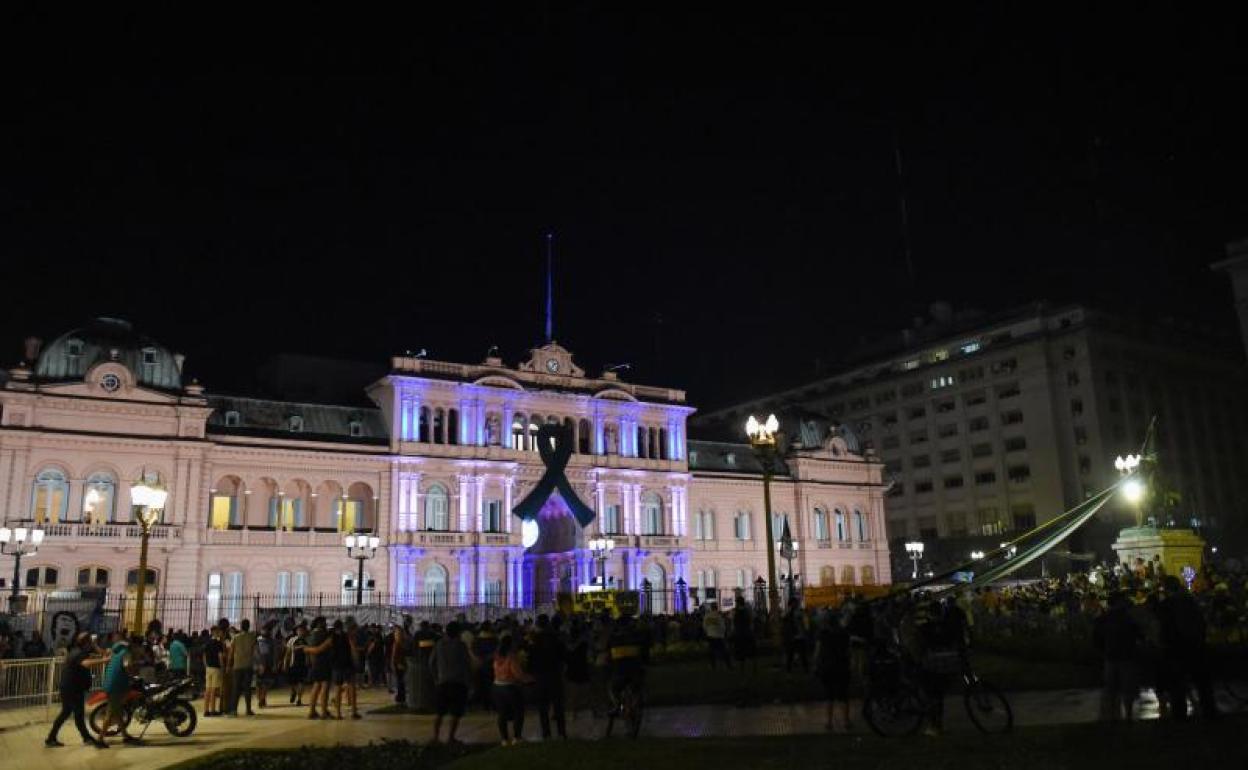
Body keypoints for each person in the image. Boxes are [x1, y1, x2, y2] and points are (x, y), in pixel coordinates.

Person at [46, 632, 108, 749]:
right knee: (76, 714)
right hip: (72, 688)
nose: (91, 644)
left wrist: (95, 645)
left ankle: (52, 738)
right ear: (86, 643)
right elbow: (87, 663)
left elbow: (102, 653)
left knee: (67, 713)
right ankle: (85, 738)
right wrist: (105, 661)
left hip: (70, 687)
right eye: (90, 642)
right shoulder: (79, 653)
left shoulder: (78, 650)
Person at [1093, 591, 1142, 722]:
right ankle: (1128, 714)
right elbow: (1139, 634)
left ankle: (1113, 715)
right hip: (1126, 656)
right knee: (1127, 688)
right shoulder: (1128, 618)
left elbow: (1097, 638)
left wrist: (1102, 651)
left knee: (1111, 688)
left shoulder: (1104, 618)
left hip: (1111, 656)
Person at [429, 621, 471, 745]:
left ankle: (435, 737)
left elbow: (431, 663)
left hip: (442, 682)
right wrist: (469, 681)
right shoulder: (461, 645)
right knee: (456, 712)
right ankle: (450, 737)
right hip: (458, 683)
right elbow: (466, 664)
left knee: (439, 712)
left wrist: (436, 677)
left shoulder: (439, 644)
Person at [529, 614, 568, 740]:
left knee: (543, 707)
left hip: (540, 676)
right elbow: (564, 656)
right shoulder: (556, 638)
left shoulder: (534, 640)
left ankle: (546, 733)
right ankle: (561, 733)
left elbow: (531, 660)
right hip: (554, 674)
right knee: (558, 706)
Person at [813, 609, 852, 733]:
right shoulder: (844, 633)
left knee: (829, 695)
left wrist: (816, 663)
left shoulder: (823, 634)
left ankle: (829, 722)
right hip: (841, 665)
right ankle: (846, 721)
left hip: (827, 666)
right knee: (843, 695)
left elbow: (818, 651)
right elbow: (848, 650)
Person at [99, 634, 140, 746]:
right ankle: (100, 739)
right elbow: (127, 667)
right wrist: (133, 676)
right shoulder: (126, 653)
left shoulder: (115, 652)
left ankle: (125, 736)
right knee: (110, 713)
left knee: (117, 713)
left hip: (110, 683)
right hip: (116, 686)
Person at [606, 612, 650, 712]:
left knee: (612, 688)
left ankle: (617, 705)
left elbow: (608, 657)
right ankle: (638, 701)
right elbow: (645, 653)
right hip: (635, 672)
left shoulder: (613, 639)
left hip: (620, 673)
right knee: (639, 685)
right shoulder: (638, 637)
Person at [492, 633, 531, 745]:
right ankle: (517, 737)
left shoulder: (497, 656)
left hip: (497, 686)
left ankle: (504, 739)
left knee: (502, 714)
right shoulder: (511, 657)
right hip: (510, 687)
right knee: (518, 712)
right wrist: (528, 679)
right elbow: (518, 674)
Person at [330, 619, 360, 719]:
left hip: (336, 665)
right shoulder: (347, 636)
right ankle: (354, 712)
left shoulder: (331, 637)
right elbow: (353, 649)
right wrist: (356, 660)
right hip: (347, 664)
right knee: (351, 687)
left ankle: (338, 714)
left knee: (337, 689)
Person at [226, 619, 257, 716]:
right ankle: (248, 709)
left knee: (236, 688)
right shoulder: (252, 637)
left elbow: (231, 653)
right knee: (247, 688)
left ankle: (234, 710)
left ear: (241, 626)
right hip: (248, 665)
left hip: (237, 666)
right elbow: (255, 651)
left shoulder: (235, 638)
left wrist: (228, 665)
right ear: (248, 626)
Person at [305, 616, 333, 719]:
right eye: (324, 622)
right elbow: (319, 649)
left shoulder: (311, 634)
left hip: (315, 664)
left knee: (316, 686)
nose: (325, 624)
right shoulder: (322, 634)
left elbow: (309, 649)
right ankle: (324, 711)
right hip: (323, 662)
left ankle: (312, 711)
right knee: (325, 687)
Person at [202, 627, 225, 716]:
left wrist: (206, 665)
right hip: (216, 668)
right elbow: (220, 656)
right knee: (214, 690)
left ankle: (206, 710)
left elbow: (203, 655)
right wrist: (222, 667)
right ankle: (212, 710)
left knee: (207, 689)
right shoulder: (218, 643)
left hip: (208, 668)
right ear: (216, 632)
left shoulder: (207, 643)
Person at [285, 623, 309, 706]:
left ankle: (299, 699)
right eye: (299, 630)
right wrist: (285, 663)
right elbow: (288, 652)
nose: (301, 632)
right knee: (292, 682)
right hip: (293, 664)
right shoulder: (292, 640)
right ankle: (293, 691)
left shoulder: (308, 640)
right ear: (296, 631)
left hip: (303, 664)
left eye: (302, 630)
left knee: (302, 682)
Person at [702, 604, 732, 670]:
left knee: (711, 651)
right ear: (716, 608)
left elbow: (704, 626)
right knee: (724, 651)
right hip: (718, 636)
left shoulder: (707, 616)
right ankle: (728, 665)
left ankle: (713, 665)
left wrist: (708, 631)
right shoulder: (719, 616)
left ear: (711, 608)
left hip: (710, 635)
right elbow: (723, 627)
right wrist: (723, 634)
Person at [255, 622, 277, 708]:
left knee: (265, 683)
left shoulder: (271, 641)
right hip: (259, 665)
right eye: (263, 630)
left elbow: (275, 654)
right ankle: (261, 699)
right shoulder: (257, 640)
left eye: (266, 630)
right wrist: (258, 664)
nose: (264, 631)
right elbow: (255, 653)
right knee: (258, 684)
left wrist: (274, 664)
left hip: (268, 664)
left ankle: (262, 699)